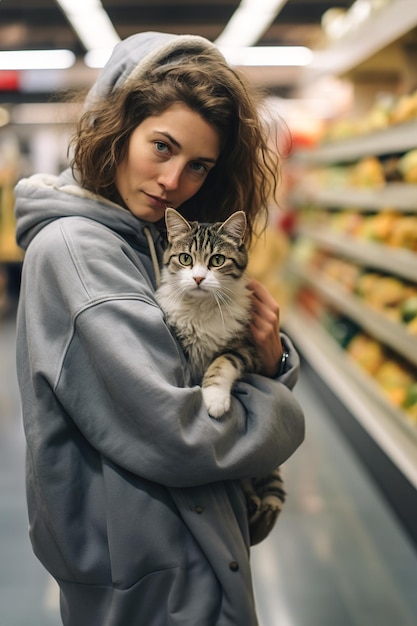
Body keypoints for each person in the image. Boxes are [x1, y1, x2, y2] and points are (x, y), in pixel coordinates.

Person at [14, 31, 305, 626]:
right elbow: (177, 431)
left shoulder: (143, 234)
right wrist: (279, 404)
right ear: (117, 130)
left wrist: (266, 355)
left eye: (199, 165)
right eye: (161, 147)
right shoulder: (79, 251)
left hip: (179, 548)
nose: (174, 182)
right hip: (151, 576)